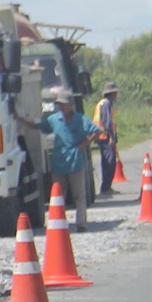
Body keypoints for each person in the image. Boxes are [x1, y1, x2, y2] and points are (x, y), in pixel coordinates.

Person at [41, 87, 95, 220]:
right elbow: (38, 126)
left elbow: (97, 131)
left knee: (79, 196)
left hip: (75, 163)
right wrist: (20, 119)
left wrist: (83, 144)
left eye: (64, 104)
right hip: (59, 164)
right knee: (58, 197)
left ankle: (81, 223)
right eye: (60, 104)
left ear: (71, 105)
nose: (62, 107)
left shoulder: (81, 119)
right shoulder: (54, 119)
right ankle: (60, 223)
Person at [94, 81, 121, 196]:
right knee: (110, 162)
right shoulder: (106, 104)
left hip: (102, 136)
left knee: (107, 161)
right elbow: (107, 122)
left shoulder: (103, 103)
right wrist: (111, 137)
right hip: (104, 136)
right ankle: (105, 187)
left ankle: (106, 186)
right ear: (112, 93)